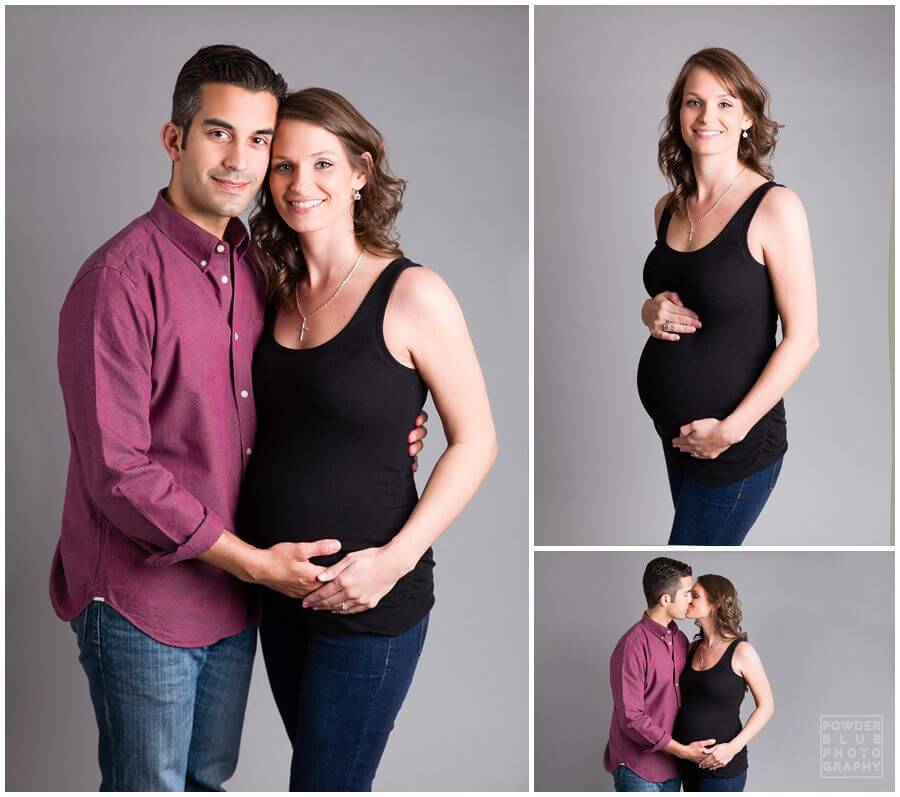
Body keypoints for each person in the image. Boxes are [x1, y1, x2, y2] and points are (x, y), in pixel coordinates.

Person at [51, 45, 428, 791]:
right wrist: (255, 562)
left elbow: (301, 397)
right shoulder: (118, 279)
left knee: (205, 783)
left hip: (232, 602)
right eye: (220, 133)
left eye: (260, 141)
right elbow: (118, 470)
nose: (241, 161)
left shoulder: (260, 270)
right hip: (141, 598)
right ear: (175, 139)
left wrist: (389, 431)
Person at [236, 87, 497, 791]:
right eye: (283, 167)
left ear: (361, 170)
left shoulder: (414, 294)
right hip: (275, 587)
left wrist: (391, 562)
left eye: (322, 163)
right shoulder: (267, 289)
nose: (300, 184)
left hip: (370, 595)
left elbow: (476, 440)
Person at [636, 47, 819, 545]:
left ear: (747, 117)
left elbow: (803, 338)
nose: (707, 117)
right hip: (677, 437)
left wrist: (732, 430)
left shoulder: (774, 206)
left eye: (724, 103)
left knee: (686, 556)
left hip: (734, 443)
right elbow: (681, 294)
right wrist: (650, 309)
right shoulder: (668, 209)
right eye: (694, 103)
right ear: (679, 114)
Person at [604, 557, 718, 792]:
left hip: (673, 767)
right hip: (638, 768)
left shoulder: (680, 640)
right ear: (666, 599)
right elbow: (632, 718)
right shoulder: (632, 646)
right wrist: (682, 750)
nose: (691, 599)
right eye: (687, 593)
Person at [674, 575, 774, 791]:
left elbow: (766, 706)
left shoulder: (742, 652)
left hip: (722, 767)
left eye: (696, 595)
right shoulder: (692, 649)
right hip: (687, 763)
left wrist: (732, 748)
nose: (688, 599)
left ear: (715, 604)